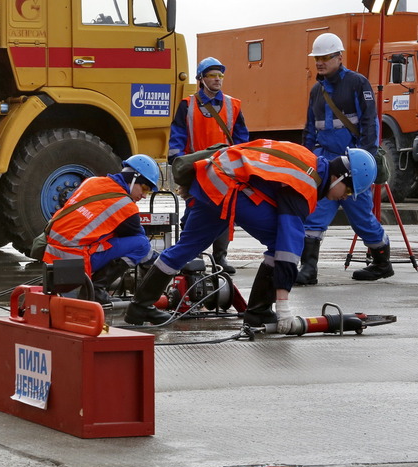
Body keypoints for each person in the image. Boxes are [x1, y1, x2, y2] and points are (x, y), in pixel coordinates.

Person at [124, 140, 377, 328]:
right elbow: (288, 245)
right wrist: (285, 307)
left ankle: (139, 308)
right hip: (225, 184)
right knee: (283, 241)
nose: (346, 197)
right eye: (348, 190)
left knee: (186, 248)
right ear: (339, 176)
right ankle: (258, 312)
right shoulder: (306, 184)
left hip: (211, 179)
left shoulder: (306, 158)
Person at [297, 33, 392, 285]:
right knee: (314, 214)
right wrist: (305, 160)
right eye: (317, 58)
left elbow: (370, 124)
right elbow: (310, 130)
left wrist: (366, 161)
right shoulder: (316, 90)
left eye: (326, 57)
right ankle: (308, 269)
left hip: (353, 164)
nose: (320, 62)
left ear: (339, 57)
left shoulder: (358, 83)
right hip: (325, 165)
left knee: (361, 218)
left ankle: (382, 263)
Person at [42, 155, 160, 306]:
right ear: (133, 178)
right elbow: (140, 245)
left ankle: (94, 286)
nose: (144, 195)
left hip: (52, 253)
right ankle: (97, 289)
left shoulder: (92, 181)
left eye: (148, 192)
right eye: (144, 188)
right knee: (141, 244)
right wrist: (164, 263)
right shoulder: (126, 206)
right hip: (76, 258)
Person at [168, 56, 249, 273]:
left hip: (225, 169)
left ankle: (220, 258)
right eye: (212, 75)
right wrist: (178, 162)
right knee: (195, 211)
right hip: (198, 168)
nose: (217, 79)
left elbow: (242, 138)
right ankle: (192, 255)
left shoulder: (234, 105)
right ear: (201, 79)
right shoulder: (187, 105)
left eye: (220, 75)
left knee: (226, 210)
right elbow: (177, 135)